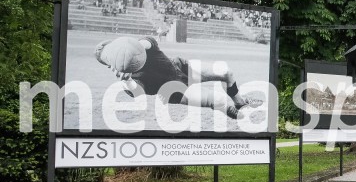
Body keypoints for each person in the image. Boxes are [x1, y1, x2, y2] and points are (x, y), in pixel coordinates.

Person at [94, 36, 259, 119]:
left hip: (181, 67)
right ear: (110, 65)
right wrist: (127, 80)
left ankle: (239, 102)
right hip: (173, 92)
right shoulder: (128, 78)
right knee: (218, 101)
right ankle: (233, 112)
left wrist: (134, 49)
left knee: (227, 72)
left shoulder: (140, 46)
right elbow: (136, 93)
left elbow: (149, 42)